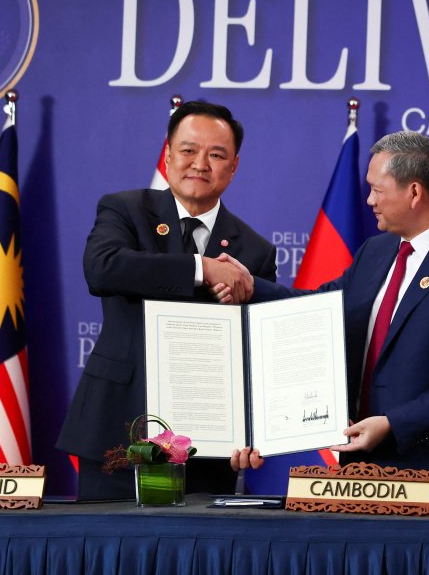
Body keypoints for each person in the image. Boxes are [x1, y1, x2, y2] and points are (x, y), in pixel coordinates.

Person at [229, 131, 429, 503]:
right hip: (361, 470)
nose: (369, 200)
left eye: (378, 190)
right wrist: (251, 287)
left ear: (414, 192)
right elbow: (319, 309)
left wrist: (393, 424)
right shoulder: (375, 252)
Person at [56, 100, 277, 500]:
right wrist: (203, 269)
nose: (200, 164)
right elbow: (103, 268)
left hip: (209, 442)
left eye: (216, 154)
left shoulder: (255, 252)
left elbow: (257, 352)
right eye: (189, 150)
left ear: (234, 166)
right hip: (117, 427)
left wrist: (251, 431)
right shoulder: (124, 210)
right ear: (169, 154)